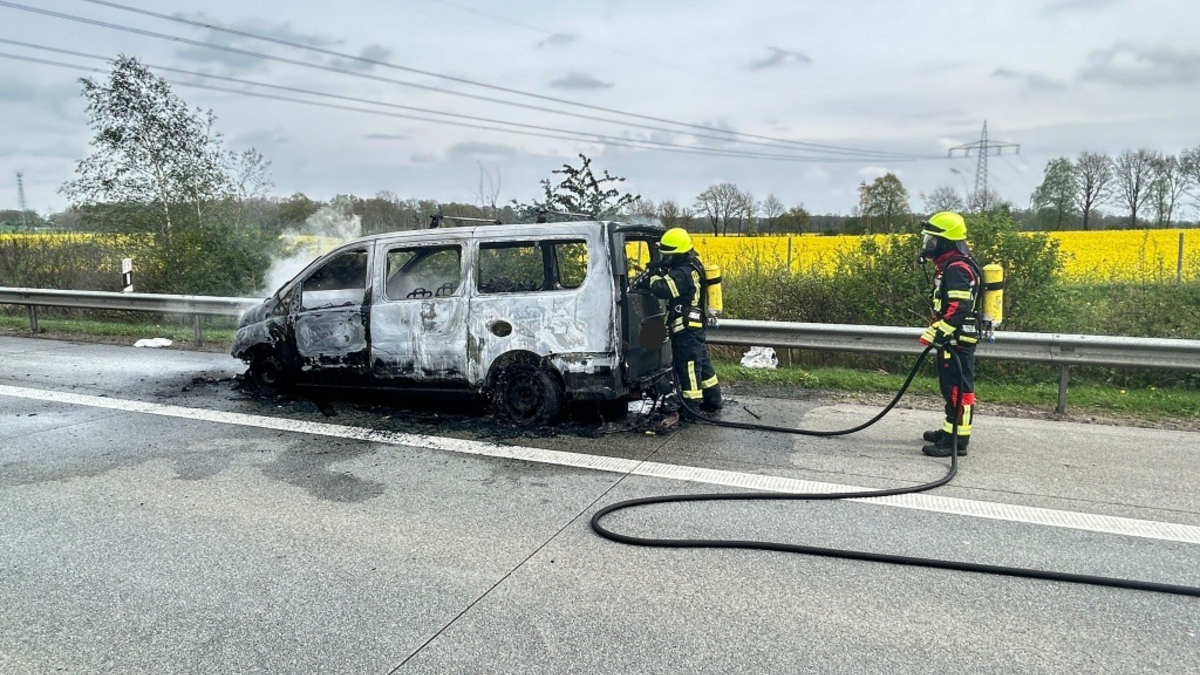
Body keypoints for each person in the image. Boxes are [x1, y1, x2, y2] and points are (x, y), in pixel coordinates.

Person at [916, 211, 982, 457]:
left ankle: (957, 442)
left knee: (959, 390)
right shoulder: (953, 264)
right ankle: (949, 431)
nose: (928, 246)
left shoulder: (956, 269)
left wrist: (937, 333)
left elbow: (957, 308)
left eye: (932, 240)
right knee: (950, 388)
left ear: (945, 241)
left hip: (957, 341)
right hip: (953, 340)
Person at [643, 227, 723, 425]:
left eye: (668, 255)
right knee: (702, 363)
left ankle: (691, 407)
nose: (665, 258)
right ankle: (713, 400)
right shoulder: (694, 264)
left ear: (678, 254)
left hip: (685, 327)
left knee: (688, 366)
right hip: (695, 324)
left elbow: (661, 289)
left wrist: (653, 272)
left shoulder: (682, 273)